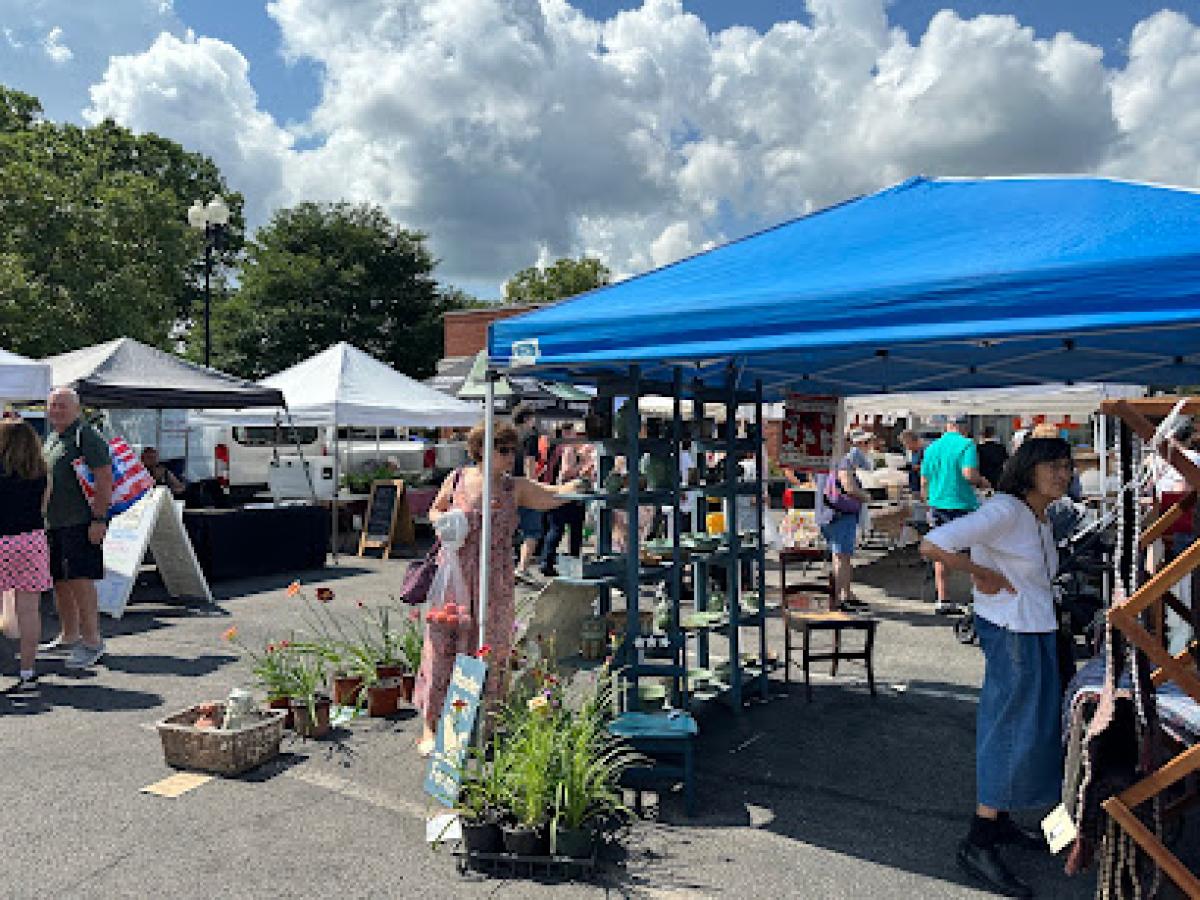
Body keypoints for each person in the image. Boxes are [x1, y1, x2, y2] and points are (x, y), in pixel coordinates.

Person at [920, 438, 1074, 899]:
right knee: (1008, 729)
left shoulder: (1038, 515)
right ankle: (979, 839)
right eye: (1053, 466)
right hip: (1012, 633)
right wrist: (978, 573)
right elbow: (932, 544)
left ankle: (1000, 819)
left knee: (1030, 729)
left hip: (1033, 630)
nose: (1063, 474)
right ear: (1028, 469)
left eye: (1066, 466)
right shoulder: (1006, 510)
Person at [413, 420, 581, 755]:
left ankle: (484, 725)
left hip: (496, 580)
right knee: (444, 644)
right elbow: (435, 508)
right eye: (502, 450)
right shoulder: (458, 478)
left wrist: (581, 483)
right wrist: (443, 522)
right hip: (457, 574)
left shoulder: (513, 486)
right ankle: (431, 726)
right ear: (481, 450)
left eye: (511, 450)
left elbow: (551, 496)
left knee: (492, 648)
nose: (509, 457)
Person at [38, 388, 112, 670]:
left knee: (81, 580)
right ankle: (69, 635)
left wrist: (99, 519)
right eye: (53, 405)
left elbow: (104, 478)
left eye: (62, 405)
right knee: (60, 581)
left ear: (77, 409)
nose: (56, 410)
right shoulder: (53, 438)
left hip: (80, 521)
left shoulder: (86, 436)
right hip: (54, 523)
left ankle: (92, 641)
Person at [0, 419, 53, 690]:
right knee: (29, 611)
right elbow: (42, 508)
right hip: (31, 541)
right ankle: (27, 671)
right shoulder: (42, 474)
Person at [921, 413, 986, 615]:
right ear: (964, 427)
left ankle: (943, 599)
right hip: (962, 504)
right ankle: (978, 599)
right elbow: (969, 474)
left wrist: (927, 501)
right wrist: (982, 481)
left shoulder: (932, 447)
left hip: (937, 504)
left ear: (947, 426)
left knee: (940, 553)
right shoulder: (967, 445)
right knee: (973, 553)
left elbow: (924, 481)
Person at [817, 445, 870, 611]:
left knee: (840, 557)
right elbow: (849, 487)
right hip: (841, 515)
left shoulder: (823, 462)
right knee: (842, 558)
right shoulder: (843, 462)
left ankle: (846, 594)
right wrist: (866, 496)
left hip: (826, 514)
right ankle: (837, 599)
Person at [541, 423, 592, 576]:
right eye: (580, 435)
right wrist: (583, 465)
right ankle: (550, 563)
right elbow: (566, 472)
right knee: (562, 530)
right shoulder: (569, 449)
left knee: (567, 530)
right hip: (566, 494)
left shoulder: (564, 448)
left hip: (565, 494)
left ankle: (560, 563)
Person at [511, 403, 545, 582]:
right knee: (532, 529)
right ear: (527, 419)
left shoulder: (508, 434)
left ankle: (507, 565)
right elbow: (529, 461)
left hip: (506, 484)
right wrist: (532, 484)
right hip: (523, 485)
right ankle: (522, 568)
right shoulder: (530, 435)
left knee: (508, 527)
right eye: (533, 418)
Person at [977, 426, 1009, 494]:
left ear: (982, 435)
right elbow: (1006, 462)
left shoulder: (978, 448)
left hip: (983, 479)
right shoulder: (1001, 448)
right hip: (997, 478)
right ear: (993, 434)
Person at [899, 429, 924, 494]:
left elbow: (931, 467)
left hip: (923, 489)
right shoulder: (914, 452)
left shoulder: (926, 451)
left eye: (906, 444)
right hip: (914, 488)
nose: (907, 448)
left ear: (913, 441)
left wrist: (916, 467)